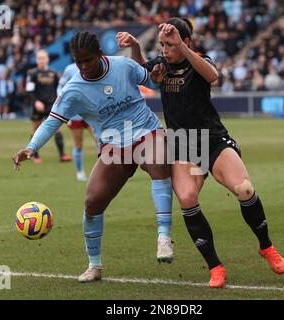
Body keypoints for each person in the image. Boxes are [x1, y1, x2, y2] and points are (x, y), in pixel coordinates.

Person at [118, 18, 284, 288]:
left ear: (186, 43)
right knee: (186, 198)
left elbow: (213, 76)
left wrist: (182, 49)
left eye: (170, 44)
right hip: (183, 144)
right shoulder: (161, 66)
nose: (165, 49)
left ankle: (266, 246)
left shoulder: (198, 61)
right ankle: (215, 266)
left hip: (212, 140)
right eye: (162, 44)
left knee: (244, 189)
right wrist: (137, 46)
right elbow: (143, 72)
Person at [13, 31, 174, 282]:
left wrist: (154, 77)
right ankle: (94, 266)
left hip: (145, 131)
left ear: (100, 54)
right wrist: (31, 147)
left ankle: (164, 238)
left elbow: (151, 81)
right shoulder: (74, 90)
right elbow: (52, 122)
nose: (84, 66)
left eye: (88, 60)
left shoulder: (122, 65)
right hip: (114, 145)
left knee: (159, 164)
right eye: (78, 62)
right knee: (92, 202)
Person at [25, 50, 71, 163]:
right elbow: (29, 91)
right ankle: (35, 156)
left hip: (51, 105)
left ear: (47, 59)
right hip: (38, 105)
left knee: (57, 129)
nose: (41, 60)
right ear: (36, 60)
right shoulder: (32, 73)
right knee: (36, 129)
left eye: (43, 58)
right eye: (39, 58)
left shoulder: (54, 73)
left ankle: (62, 155)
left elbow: (59, 90)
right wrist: (36, 102)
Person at [57, 63, 96, 182]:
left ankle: (105, 172)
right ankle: (80, 172)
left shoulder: (94, 66)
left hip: (91, 112)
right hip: (75, 115)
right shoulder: (70, 69)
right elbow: (60, 87)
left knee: (101, 141)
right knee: (78, 144)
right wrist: (63, 100)